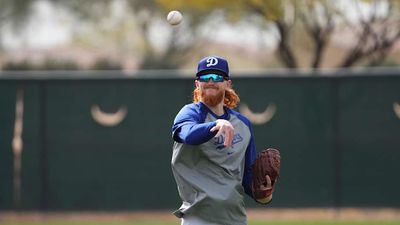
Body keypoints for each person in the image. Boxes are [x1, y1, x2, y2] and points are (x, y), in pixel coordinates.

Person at [171, 56, 273, 225]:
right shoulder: (190, 114)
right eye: (204, 77)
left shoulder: (243, 124)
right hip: (198, 219)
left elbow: (247, 174)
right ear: (197, 84)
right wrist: (216, 124)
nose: (210, 81)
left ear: (227, 84)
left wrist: (261, 191)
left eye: (217, 77)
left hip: (236, 219)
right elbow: (187, 134)